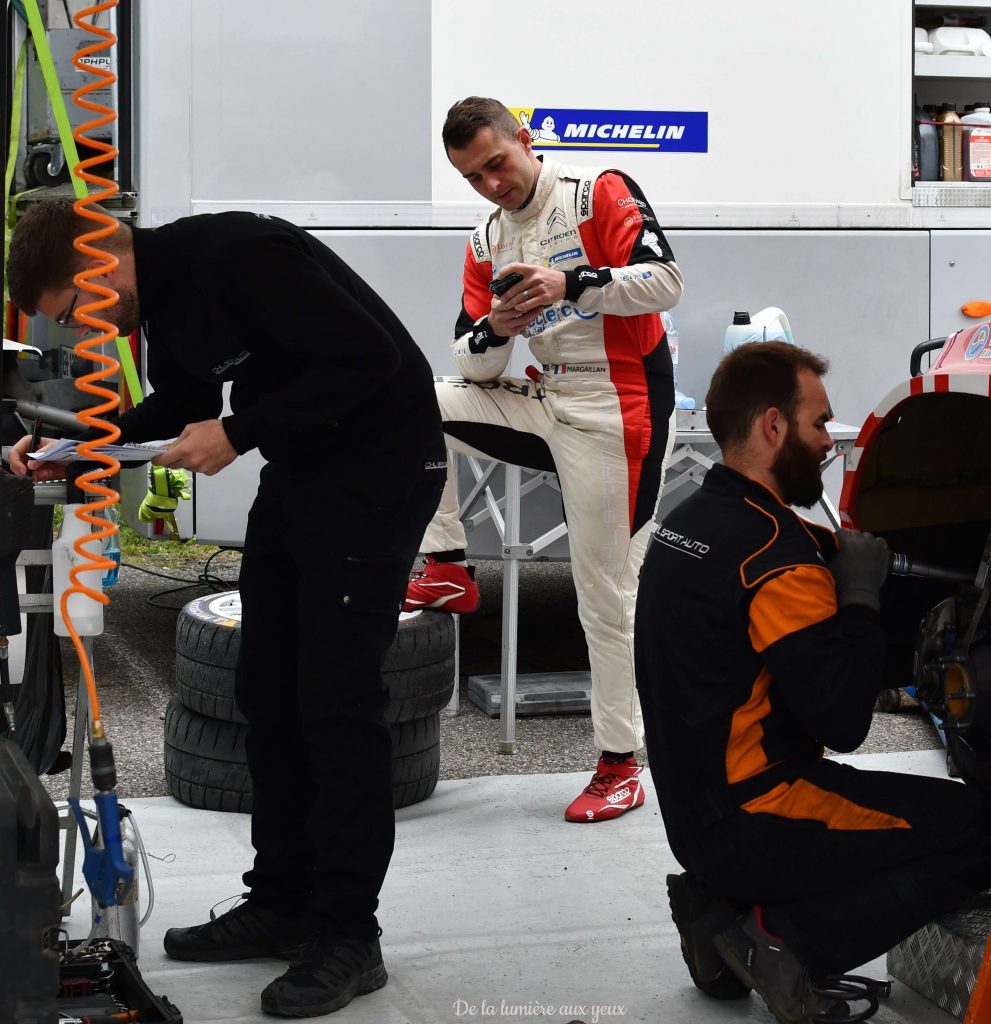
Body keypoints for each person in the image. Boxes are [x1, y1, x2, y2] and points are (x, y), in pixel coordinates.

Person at [6, 198, 446, 1018]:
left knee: (335, 701)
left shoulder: (235, 253)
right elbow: (179, 395)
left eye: (75, 311)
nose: (86, 331)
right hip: (306, 470)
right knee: (266, 691)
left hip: (380, 469)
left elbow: (370, 359)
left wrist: (240, 431)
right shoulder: (166, 302)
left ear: (98, 258)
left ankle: (349, 933)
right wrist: (74, 448)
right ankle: (283, 900)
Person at [635, 341, 991, 1022]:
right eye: (818, 424)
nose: (828, 442)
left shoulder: (689, 524)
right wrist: (858, 599)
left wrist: (847, 564)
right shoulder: (778, 565)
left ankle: (721, 915)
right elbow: (843, 721)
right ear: (772, 427)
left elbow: (782, 566)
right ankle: (785, 942)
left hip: (692, 813)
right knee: (977, 827)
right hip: (758, 815)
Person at [404, 97, 684, 823]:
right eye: (472, 177)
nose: (491, 184)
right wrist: (496, 326)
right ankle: (445, 567)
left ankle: (620, 765)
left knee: (603, 595)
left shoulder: (598, 192)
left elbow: (666, 282)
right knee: (410, 400)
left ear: (525, 143)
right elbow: (472, 368)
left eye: (495, 163)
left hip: (615, 407)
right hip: (542, 396)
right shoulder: (485, 239)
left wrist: (574, 282)